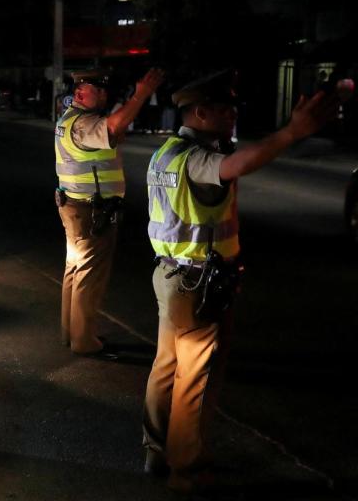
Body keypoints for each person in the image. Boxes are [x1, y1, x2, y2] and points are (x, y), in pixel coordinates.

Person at [141, 70, 339, 493]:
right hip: (198, 285)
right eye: (225, 108)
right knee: (196, 378)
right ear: (200, 112)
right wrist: (291, 134)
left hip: (171, 275)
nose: (233, 115)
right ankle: (186, 470)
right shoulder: (198, 158)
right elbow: (236, 165)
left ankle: (155, 451)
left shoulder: (168, 153)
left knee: (166, 368)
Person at [54, 67, 164, 357]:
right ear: (85, 93)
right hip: (92, 212)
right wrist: (141, 95)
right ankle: (84, 340)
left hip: (76, 208)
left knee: (75, 269)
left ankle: (71, 332)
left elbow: (113, 130)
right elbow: (113, 129)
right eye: (96, 91)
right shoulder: (84, 124)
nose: (101, 96)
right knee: (89, 275)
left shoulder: (72, 119)